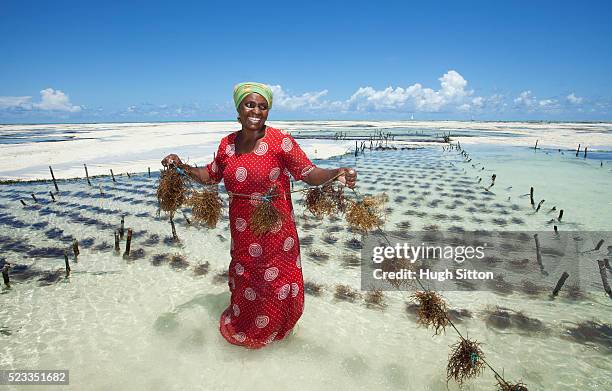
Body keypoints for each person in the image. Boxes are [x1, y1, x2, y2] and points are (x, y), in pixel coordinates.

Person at [162, 82, 357, 349]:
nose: (256, 111)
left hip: (277, 234)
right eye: (250, 104)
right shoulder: (227, 145)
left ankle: (277, 333)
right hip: (242, 233)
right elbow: (210, 175)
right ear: (239, 110)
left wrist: (337, 172)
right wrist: (181, 166)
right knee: (247, 279)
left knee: (275, 282)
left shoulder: (281, 142)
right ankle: (247, 328)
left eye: (263, 106)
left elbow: (308, 173)